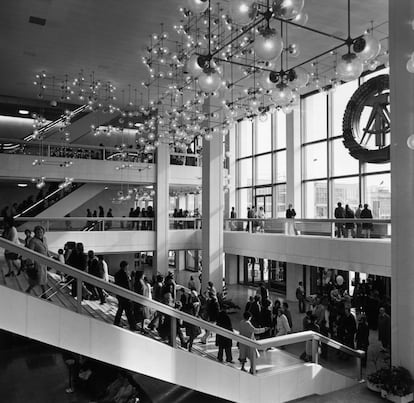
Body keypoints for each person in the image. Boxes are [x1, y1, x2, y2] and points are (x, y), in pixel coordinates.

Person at [114, 261, 137, 331]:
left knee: (120, 309)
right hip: (125, 295)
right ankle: (133, 326)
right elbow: (128, 285)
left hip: (120, 295)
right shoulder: (125, 274)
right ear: (125, 267)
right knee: (129, 311)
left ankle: (116, 322)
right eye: (127, 266)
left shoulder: (117, 274)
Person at [26, 225, 49, 295]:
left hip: (44, 262)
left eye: (41, 232)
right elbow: (31, 253)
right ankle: (44, 294)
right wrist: (31, 263)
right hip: (37, 262)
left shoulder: (44, 239)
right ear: (35, 232)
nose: (40, 233)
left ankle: (29, 290)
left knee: (41, 278)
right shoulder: (33, 241)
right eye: (38, 232)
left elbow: (46, 249)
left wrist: (49, 256)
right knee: (39, 278)